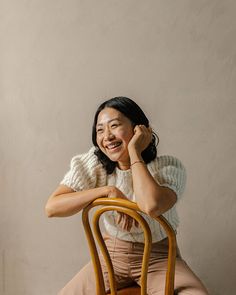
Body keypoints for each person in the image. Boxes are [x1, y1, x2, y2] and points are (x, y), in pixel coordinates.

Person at [45, 97, 209, 294]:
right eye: (100, 129)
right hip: (112, 256)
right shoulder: (95, 164)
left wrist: (134, 152)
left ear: (139, 129)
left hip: (159, 258)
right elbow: (52, 207)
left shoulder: (168, 167)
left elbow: (151, 206)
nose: (107, 136)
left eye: (114, 126)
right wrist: (108, 192)